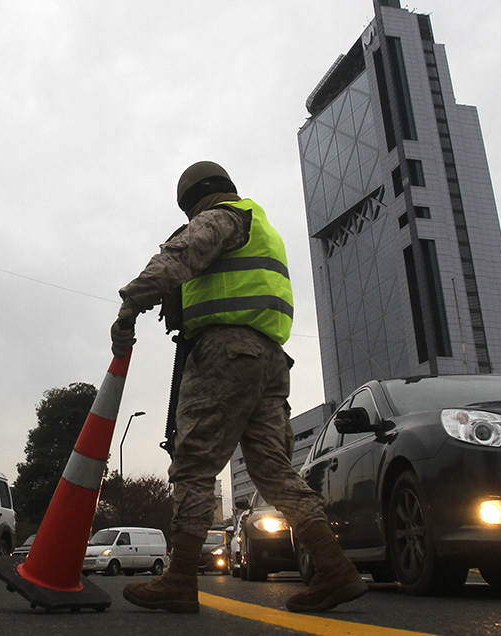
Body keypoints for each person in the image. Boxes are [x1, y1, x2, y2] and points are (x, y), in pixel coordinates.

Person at [111, 161, 366, 614]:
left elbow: (178, 257)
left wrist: (130, 303)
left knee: (193, 463)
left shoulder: (221, 217)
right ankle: (333, 567)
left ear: (195, 200)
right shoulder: (258, 224)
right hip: (268, 360)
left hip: (227, 354)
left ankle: (181, 578)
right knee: (273, 470)